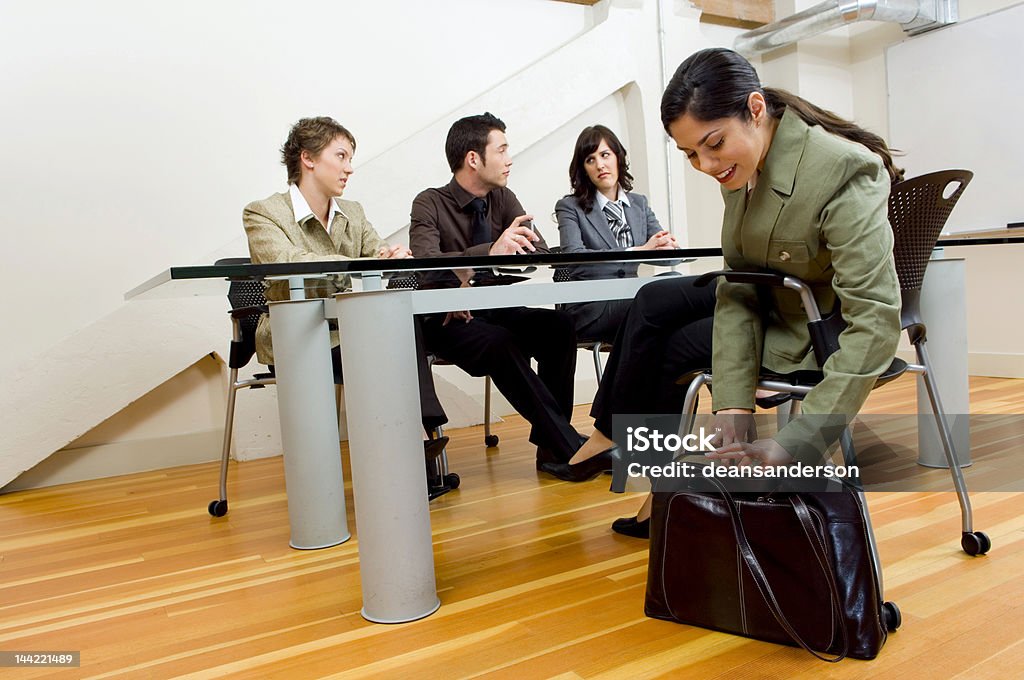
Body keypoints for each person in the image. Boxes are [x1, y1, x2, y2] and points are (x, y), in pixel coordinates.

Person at [561, 47, 903, 538]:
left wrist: (797, 443)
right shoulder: (739, 163)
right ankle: (630, 450)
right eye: (690, 154)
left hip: (809, 318)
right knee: (654, 300)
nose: (705, 164)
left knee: (675, 345)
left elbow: (875, 319)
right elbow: (739, 286)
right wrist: (734, 410)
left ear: (756, 110)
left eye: (713, 144)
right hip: (770, 294)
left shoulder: (845, 171)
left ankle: (661, 491)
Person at [409, 112, 603, 472]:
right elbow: (424, 263)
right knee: (500, 342)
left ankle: (551, 449)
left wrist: (519, 248)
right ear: (473, 159)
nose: (509, 158)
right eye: (501, 150)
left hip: (497, 310)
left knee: (559, 326)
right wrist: (488, 253)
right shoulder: (429, 203)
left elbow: (541, 253)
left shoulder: (504, 198)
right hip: (448, 319)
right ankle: (569, 447)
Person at [243, 116, 449, 436]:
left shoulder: (352, 212)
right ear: (308, 158)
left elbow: (374, 250)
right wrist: (356, 263)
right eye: (341, 156)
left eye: (350, 159)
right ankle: (414, 443)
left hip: (349, 329)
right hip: (298, 336)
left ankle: (418, 437)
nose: (349, 168)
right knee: (382, 356)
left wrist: (390, 256)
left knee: (400, 323)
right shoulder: (263, 212)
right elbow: (288, 262)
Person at [554, 125, 680, 342]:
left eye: (605, 155)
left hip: (632, 298)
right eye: (590, 160)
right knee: (653, 306)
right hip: (592, 308)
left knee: (676, 283)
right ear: (584, 169)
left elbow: (662, 255)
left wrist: (666, 244)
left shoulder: (638, 204)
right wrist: (638, 250)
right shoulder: (569, 207)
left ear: (618, 158)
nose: (600, 165)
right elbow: (575, 258)